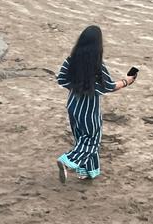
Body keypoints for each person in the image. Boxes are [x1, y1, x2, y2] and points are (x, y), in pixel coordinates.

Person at [56, 25, 138, 183]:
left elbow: (61, 79)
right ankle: (67, 160)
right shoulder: (97, 66)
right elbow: (109, 86)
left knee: (81, 139)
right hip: (89, 110)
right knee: (92, 140)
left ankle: (87, 171)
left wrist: (76, 87)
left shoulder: (70, 60)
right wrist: (127, 81)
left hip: (72, 105)